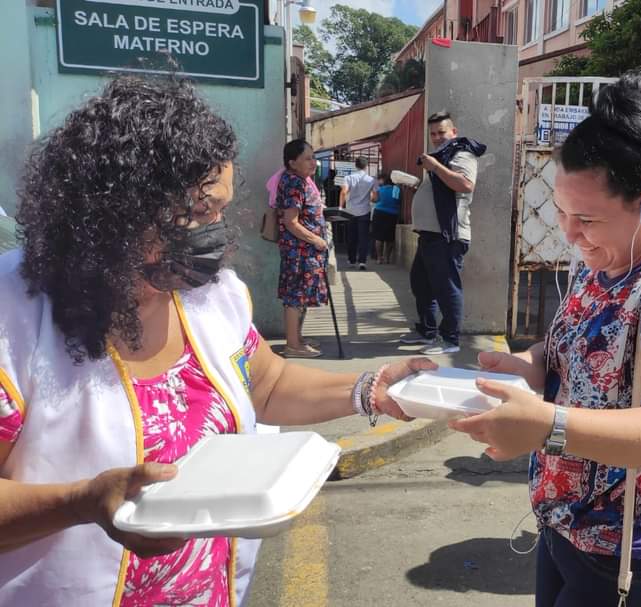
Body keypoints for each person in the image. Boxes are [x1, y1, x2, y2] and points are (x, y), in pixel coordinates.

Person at [0, 75, 430, 607]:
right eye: (201, 213)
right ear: (117, 212)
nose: (217, 232)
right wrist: (80, 502)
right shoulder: (15, 319)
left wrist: (368, 389)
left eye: (222, 210)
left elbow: (267, 384)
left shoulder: (210, 294)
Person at [448, 73, 641, 607]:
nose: (569, 233)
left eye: (586, 218)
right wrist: (528, 364)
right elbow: (576, 351)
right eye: (561, 212)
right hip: (565, 528)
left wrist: (547, 426)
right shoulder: (601, 262)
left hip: (636, 555)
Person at [398, 111, 486, 356]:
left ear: (453, 132)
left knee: (447, 289)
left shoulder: (462, 153)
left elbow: (465, 185)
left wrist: (435, 167)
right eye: (433, 134)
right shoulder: (444, 156)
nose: (436, 137)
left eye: (441, 132)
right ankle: (427, 331)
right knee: (421, 285)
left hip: (447, 236)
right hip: (430, 235)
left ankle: (449, 339)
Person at [277, 139, 329, 359]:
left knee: (300, 297)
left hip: (304, 251)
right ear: (292, 162)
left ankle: (297, 339)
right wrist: (315, 240)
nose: (313, 162)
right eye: (307, 158)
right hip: (299, 252)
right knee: (295, 297)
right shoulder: (294, 183)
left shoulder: (299, 181)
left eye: (313, 157)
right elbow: (291, 221)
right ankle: (292, 345)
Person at [341, 157, 377, 270]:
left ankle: (351, 260)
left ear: (355, 165)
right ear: (366, 166)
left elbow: (343, 192)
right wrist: (370, 199)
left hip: (350, 211)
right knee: (363, 237)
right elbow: (375, 197)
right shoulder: (371, 180)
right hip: (364, 211)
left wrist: (341, 206)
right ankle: (362, 262)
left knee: (351, 237)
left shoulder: (348, 178)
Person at [371, 173, 401, 264]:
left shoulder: (380, 189)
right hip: (392, 214)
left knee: (379, 237)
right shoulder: (396, 189)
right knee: (390, 237)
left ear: (384, 181)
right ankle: (387, 258)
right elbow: (397, 201)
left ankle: (379, 258)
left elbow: (374, 200)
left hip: (379, 212)